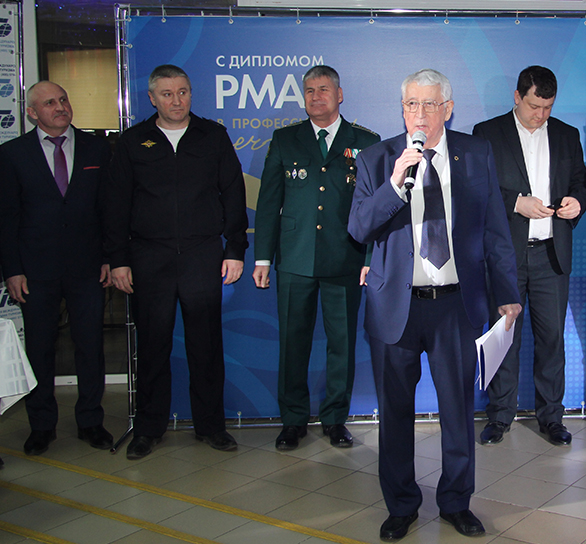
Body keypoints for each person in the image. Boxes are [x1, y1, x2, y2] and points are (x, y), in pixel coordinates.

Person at [349, 68, 520, 541]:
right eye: (411, 105)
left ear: (448, 108)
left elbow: (495, 228)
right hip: (395, 306)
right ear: (402, 109)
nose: (419, 115)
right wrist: (394, 184)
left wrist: (507, 292)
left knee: (458, 412)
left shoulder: (476, 153)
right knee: (395, 413)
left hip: (455, 306)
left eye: (428, 104)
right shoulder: (377, 158)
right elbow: (358, 227)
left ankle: (455, 503)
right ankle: (401, 505)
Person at [105, 64, 248, 459]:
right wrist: (118, 260)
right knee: (152, 346)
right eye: (167, 94)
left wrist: (235, 249)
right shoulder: (133, 141)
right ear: (152, 98)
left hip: (203, 255)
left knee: (206, 346)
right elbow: (116, 204)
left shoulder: (212, 136)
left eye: (182, 92)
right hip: (149, 257)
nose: (176, 100)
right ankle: (148, 429)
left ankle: (211, 427)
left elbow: (233, 193)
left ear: (190, 94)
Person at [254, 65, 380, 450]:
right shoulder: (285, 139)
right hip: (295, 259)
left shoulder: (365, 141)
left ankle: (335, 419)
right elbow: (268, 202)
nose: (316, 97)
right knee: (293, 343)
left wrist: (369, 256)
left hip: (345, 258)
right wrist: (262, 259)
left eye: (324, 90)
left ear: (339, 95)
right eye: (309, 91)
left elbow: (374, 206)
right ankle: (293, 420)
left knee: (342, 344)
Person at [471, 66, 586, 446]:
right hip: (505, 256)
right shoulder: (488, 133)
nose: (541, 115)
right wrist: (516, 203)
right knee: (504, 337)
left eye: (548, 107)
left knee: (552, 340)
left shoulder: (567, 135)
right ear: (517, 97)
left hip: (551, 255)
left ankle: (551, 417)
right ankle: (499, 416)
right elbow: (475, 188)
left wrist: (577, 202)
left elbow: (581, 182)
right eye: (534, 106)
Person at [0, 81, 114, 456]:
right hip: (35, 270)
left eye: (63, 99)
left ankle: (90, 421)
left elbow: (108, 209)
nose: (60, 106)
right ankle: (42, 425)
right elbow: (7, 217)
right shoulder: (13, 154)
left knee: (90, 347)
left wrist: (109, 257)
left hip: (87, 267)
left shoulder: (98, 148)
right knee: (40, 349)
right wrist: (13, 270)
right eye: (49, 103)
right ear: (32, 112)